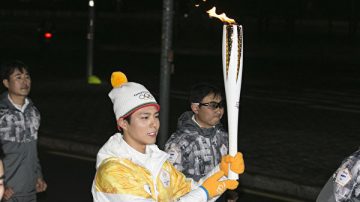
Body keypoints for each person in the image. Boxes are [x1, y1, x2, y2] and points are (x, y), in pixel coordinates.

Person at [91, 72, 245, 201]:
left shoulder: (159, 163)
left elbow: (190, 191)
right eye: (145, 117)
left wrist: (222, 171)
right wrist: (204, 193)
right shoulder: (113, 171)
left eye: (155, 116)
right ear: (123, 123)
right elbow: (200, 194)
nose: (154, 124)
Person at [164, 82, 231, 182]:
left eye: (221, 105)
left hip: (220, 194)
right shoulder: (180, 142)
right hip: (193, 195)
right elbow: (169, 180)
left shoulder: (223, 136)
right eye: (213, 105)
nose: (219, 110)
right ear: (195, 108)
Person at [0, 60, 47, 201]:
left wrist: (38, 175)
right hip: (8, 193)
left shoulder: (33, 112)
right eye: (18, 77)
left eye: (27, 76)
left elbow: (33, 149)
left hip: (29, 190)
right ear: (6, 83)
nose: (24, 81)